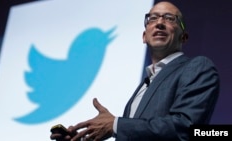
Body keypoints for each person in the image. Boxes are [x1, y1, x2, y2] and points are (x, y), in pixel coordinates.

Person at [50, 1, 220, 141]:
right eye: (152, 19)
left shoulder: (197, 66)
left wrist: (116, 125)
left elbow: (186, 128)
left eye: (170, 18)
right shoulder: (142, 88)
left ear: (183, 37)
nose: (160, 23)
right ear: (144, 36)